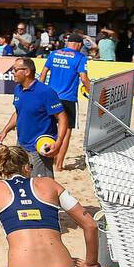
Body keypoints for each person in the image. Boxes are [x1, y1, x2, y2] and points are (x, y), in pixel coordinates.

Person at [0, 57, 68, 178]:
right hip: (21, 144)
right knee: (22, 182)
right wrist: (5, 130)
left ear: (27, 72)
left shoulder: (46, 92)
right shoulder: (18, 89)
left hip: (39, 147)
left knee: (42, 186)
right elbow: (19, 112)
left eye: (15, 69)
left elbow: (62, 117)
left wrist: (59, 142)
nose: (13, 72)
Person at [39, 34, 91, 173]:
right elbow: (84, 78)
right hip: (67, 98)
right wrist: (92, 92)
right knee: (66, 131)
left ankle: (47, 158)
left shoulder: (54, 53)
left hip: (50, 95)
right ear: (79, 45)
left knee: (49, 127)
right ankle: (59, 165)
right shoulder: (80, 57)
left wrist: (39, 91)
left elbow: (43, 73)